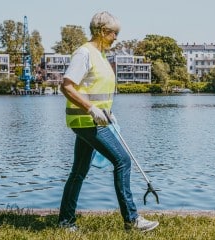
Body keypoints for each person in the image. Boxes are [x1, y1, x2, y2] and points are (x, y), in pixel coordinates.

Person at [58, 11, 159, 232]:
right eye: (115, 33)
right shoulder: (84, 53)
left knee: (78, 171)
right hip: (86, 120)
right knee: (123, 161)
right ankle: (131, 220)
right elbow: (66, 85)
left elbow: (94, 89)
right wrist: (91, 108)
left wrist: (106, 111)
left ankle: (66, 221)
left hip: (95, 120)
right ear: (103, 32)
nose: (116, 38)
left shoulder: (101, 56)